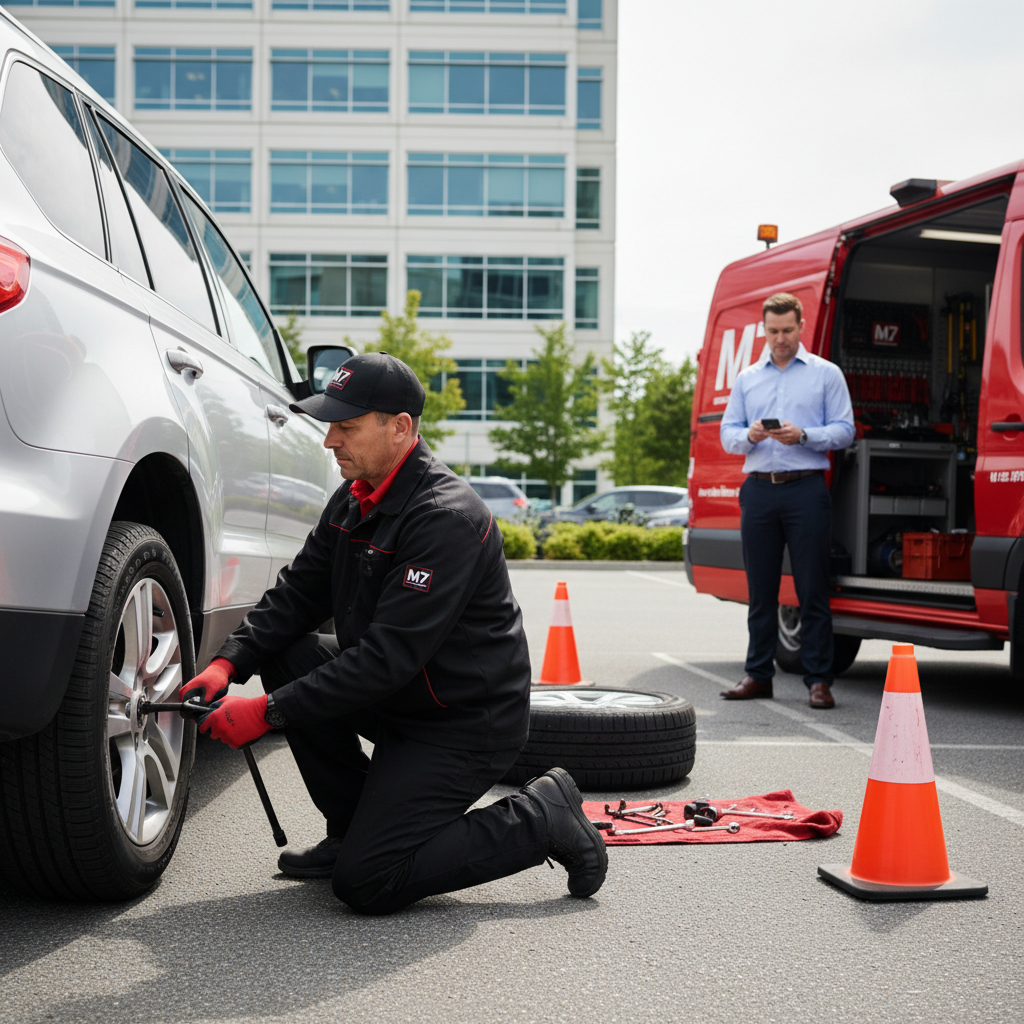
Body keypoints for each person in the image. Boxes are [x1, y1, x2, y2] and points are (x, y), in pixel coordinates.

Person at [180, 352, 607, 914]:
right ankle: (352, 829)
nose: (330, 440)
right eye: (330, 424)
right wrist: (227, 663)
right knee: (286, 653)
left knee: (369, 881)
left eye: (347, 426)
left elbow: (387, 658)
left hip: (461, 721)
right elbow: (298, 593)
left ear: (400, 427)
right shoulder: (354, 496)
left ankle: (540, 817)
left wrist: (268, 712)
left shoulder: (446, 518)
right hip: (400, 696)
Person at [718, 293, 855, 709]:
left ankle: (819, 680)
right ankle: (758, 675)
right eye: (774, 331)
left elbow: (845, 430)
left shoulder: (825, 374)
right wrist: (750, 435)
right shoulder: (747, 379)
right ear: (764, 329)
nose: (781, 338)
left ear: (801, 327)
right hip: (759, 489)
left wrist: (805, 436)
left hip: (806, 489)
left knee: (812, 587)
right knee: (761, 592)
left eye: (788, 330)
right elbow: (727, 434)